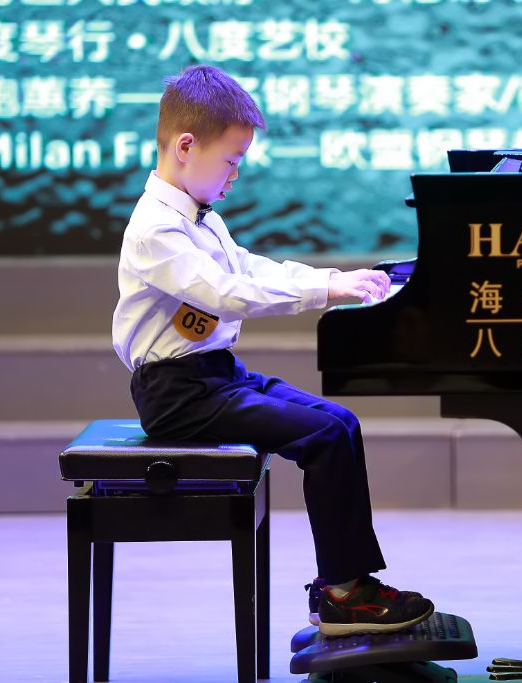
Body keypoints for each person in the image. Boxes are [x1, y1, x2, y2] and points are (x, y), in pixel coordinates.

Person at [111, 64, 433, 637]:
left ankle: (346, 582)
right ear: (186, 146)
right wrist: (324, 293)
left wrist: (333, 277)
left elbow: (249, 268)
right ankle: (342, 594)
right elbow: (227, 293)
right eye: (231, 160)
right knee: (324, 436)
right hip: (177, 395)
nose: (235, 174)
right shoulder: (155, 230)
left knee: (340, 422)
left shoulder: (198, 217)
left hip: (215, 377)